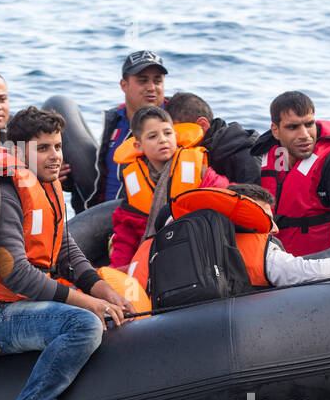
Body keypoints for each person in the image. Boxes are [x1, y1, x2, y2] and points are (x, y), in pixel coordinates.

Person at [0, 106, 132, 400]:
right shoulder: (6, 193)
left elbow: (67, 250)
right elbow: (15, 272)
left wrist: (105, 291)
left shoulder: (46, 186)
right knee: (84, 325)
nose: (55, 156)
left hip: (18, 305)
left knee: (107, 307)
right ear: (19, 150)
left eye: (59, 147)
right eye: (43, 148)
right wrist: (88, 304)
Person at [251, 91, 330, 256]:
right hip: (283, 263)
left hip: (326, 262)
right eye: (293, 127)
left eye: (309, 124)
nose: (304, 135)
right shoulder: (267, 153)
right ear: (276, 131)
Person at [109, 105, 228, 269]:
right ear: (138, 146)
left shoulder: (196, 168)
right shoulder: (134, 181)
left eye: (167, 133)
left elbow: (226, 194)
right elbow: (126, 233)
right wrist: (117, 268)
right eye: (152, 136)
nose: (163, 140)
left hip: (197, 252)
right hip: (153, 256)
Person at [91, 49, 167, 206]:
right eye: (143, 80)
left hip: (148, 219)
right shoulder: (114, 120)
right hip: (103, 218)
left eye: (157, 81)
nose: (151, 87)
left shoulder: (175, 120)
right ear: (124, 85)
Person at [164, 92, 262, 184]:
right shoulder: (203, 152)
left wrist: (209, 178)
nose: (173, 141)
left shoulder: (246, 157)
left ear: (202, 126)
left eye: (178, 133)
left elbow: (257, 200)